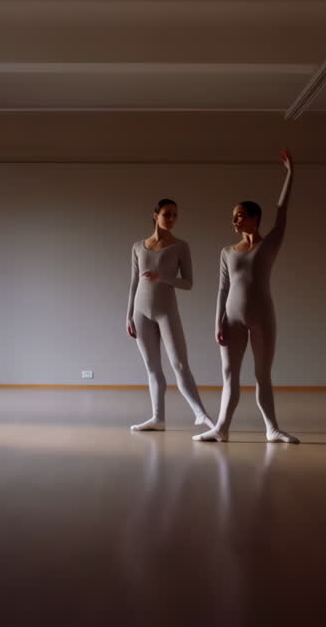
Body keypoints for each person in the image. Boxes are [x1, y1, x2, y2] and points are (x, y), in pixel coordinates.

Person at [194, 150, 299, 444]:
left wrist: (290, 174)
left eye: (240, 215)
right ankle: (221, 428)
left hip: (262, 316)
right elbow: (222, 289)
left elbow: (282, 212)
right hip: (231, 319)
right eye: (233, 217)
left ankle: (272, 429)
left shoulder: (270, 245)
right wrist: (218, 322)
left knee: (262, 375)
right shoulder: (226, 252)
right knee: (229, 375)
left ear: (255, 218)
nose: (235, 221)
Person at [126, 199, 214, 431]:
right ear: (155, 215)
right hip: (140, 312)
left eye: (175, 215)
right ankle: (158, 418)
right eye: (167, 214)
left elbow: (188, 283)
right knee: (152, 367)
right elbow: (134, 283)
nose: (172, 219)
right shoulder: (137, 246)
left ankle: (201, 414)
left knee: (180, 364)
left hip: (166, 311)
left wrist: (162, 277)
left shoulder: (181, 246)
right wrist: (128, 316)